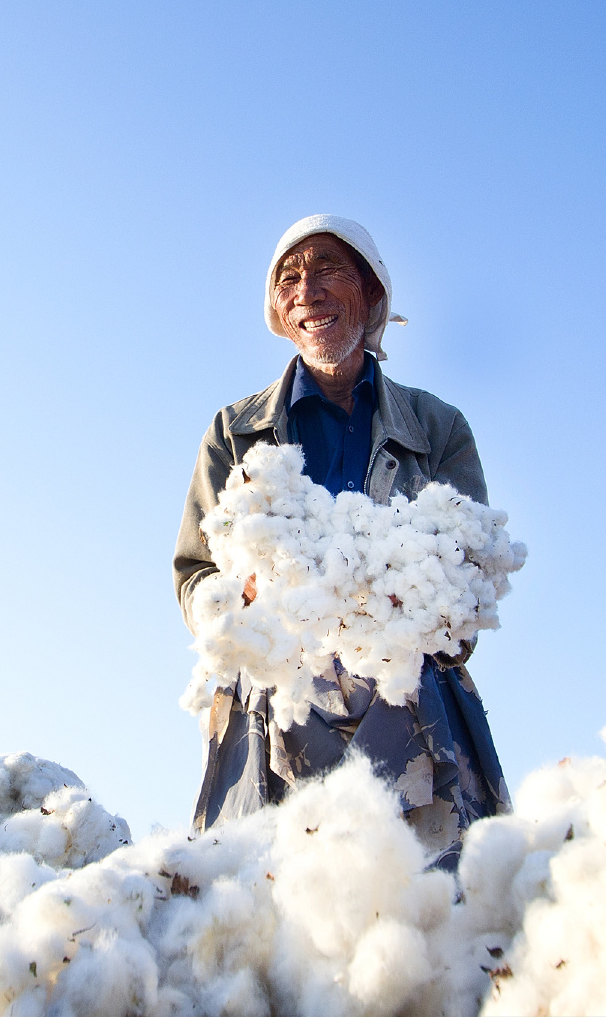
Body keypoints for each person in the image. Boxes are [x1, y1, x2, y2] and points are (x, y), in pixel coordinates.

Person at [173, 215, 511, 869]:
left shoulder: (437, 429)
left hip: (409, 694)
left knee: (432, 903)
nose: (309, 291)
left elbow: (471, 572)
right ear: (278, 310)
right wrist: (237, 602)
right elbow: (195, 573)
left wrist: (404, 605)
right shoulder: (234, 432)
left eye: (329, 269)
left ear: (371, 292)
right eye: (290, 279)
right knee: (268, 897)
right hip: (279, 694)